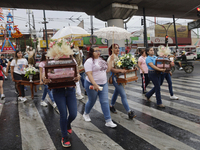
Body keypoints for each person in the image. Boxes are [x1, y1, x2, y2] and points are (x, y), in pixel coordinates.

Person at [43, 59, 81, 148]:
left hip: (70, 90)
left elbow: (77, 73)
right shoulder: (51, 62)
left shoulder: (71, 60)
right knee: (63, 114)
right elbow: (44, 77)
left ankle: (68, 124)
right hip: (58, 91)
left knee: (73, 114)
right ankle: (64, 136)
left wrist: (77, 77)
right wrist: (45, 80)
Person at [83, 45, 117, 128]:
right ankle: (86, 114)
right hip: (92, 84)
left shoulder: (101, 60)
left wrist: (110, 61)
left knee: (105, 101)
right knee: (92, 100)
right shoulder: (89, 61)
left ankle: (108, 120)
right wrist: (94, 84)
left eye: (99, 51)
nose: (98, 52)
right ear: (91, 52)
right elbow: (89, 74)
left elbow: (107, 70)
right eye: (96, 51)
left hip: (103, 83)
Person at [107, 44, 136, 119]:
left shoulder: (119, 57)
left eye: (118, 48)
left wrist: (132, 67)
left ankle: (111, 105)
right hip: (115, 78)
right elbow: (111, 69)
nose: (118, 49)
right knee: (123, 94)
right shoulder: (111, 58)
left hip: (120, 77)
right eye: (116, 48)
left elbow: (124, 67)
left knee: (116, 92)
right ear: (111, 50)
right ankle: (129, 112)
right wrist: (121, 70)